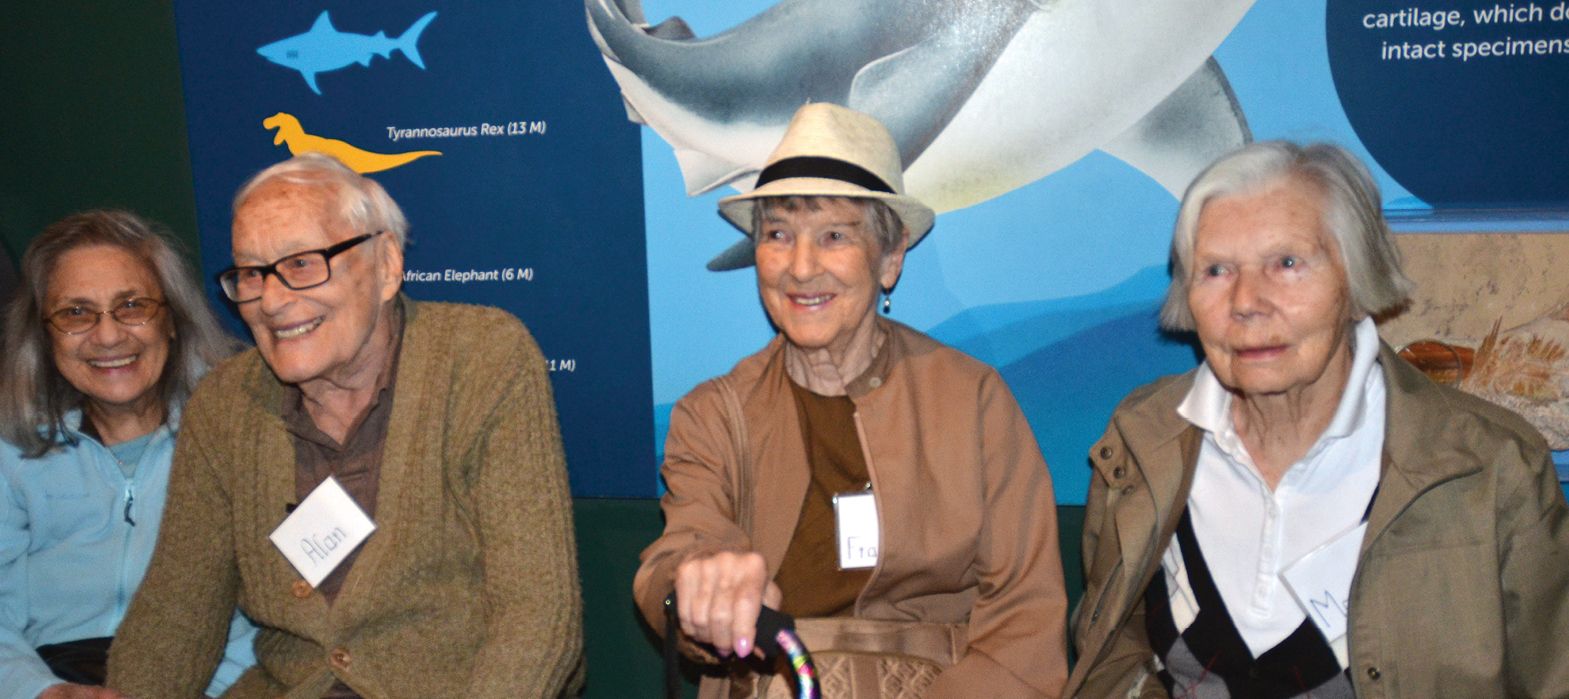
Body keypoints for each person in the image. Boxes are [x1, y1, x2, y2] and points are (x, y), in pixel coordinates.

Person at [1066, 142, 1569, 697]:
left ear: (1356, 285)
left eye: (1286, 263)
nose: (1246, 301)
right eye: (1215, 270)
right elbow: (1112, 644)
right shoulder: (1141, 439)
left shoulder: (1490, 466)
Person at [105, 153, 584, 698]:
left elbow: (538, 614)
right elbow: (176, 615)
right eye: (251, 274)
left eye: (303, 264)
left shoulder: (481, 359)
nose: (273, 300)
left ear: (385, 266)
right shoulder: (225, 406)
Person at [633, 103, 1069, 698]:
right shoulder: (713, 414)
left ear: (890, 260)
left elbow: (1026, 623)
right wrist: (697, 584)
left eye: (834, 235)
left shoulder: (973, 400)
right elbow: (685, 545)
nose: (800, 267)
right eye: (778, 235)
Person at [0, 211, 256, 699]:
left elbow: (277, 609)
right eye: (76, 313)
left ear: (174, 319)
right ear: (45, 334)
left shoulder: (240, 436)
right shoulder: (10, 447)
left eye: (133, 305)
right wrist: (40, 690)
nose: (109, 336)